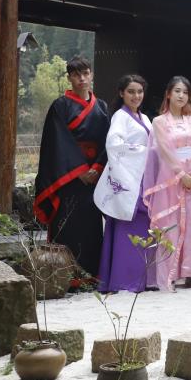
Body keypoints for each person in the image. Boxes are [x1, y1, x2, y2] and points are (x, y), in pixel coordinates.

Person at [34, 55, 110, 278]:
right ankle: (66, 275)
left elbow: (108, 141)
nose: (82, 79)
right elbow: (57, 142)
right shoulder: (60, 106)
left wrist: (97, 167)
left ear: (91, 75)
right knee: (68, 224)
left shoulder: (101, 106)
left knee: (91, 225)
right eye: (76, 75)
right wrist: (80, 170)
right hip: (68, 178)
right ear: (69, 78)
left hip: (94, 176)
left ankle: (91, 274)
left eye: (85, 73)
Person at [143, 76, 191, 291]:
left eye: (185, 92)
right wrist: (181, 174)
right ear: (168, 94)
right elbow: (164, 150)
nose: (181, 95)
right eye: (177, 91)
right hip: (171, 179)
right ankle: (171, 275)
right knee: (171, 225)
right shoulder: (159, 122)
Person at [94, 74, 152, 292]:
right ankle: (123, 280)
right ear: (122, 93)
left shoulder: (144, 117)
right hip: (128, 180)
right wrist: (145, 151)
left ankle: (139, 278)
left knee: (141, 226)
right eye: (131, 92)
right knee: (127, 227)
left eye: (139, 91)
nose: (136, 96)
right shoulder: (120, 116)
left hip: (141, 177)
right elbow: (114, 145)